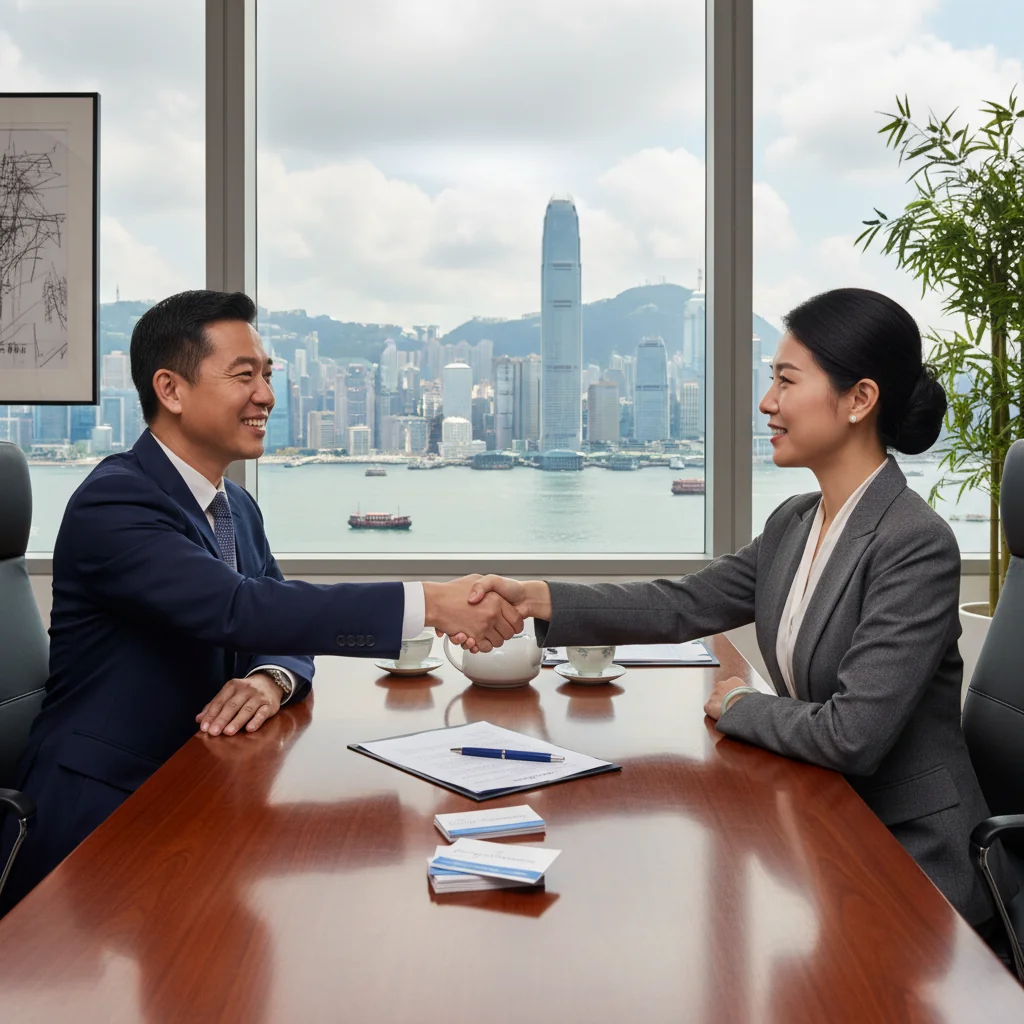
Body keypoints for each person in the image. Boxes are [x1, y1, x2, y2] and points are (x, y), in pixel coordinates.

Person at [463, 287, 1017, 933]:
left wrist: (740, 705)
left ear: (859, 400)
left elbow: (852, 736)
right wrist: (537, 599)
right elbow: (683, 604)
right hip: (832, 826)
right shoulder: (794, 522)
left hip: (913, 864)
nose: (767, 403)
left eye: (786, 380)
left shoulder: (914, 544)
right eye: (769, 381)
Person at [0, 289, 520, 914]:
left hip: (203, 788)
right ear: (170, 390)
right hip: (105, 813)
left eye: (268, 375)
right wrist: (431, 603)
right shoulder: (116, 503)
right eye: (243, 375)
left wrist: (271, 679)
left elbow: (278, 627)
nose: (267, 396)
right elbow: (241, 609)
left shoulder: (235, 507)